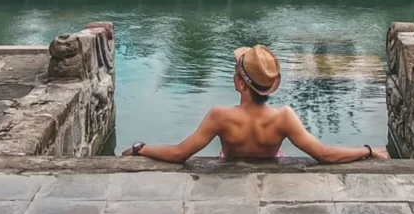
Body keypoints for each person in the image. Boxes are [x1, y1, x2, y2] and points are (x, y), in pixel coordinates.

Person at [122, 45, 390, 163]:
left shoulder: (220, 117)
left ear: (240, 83)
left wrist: (140, 149)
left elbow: (180, 154)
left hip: (230, 163)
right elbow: (324, 154)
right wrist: (367, 150)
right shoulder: (284, 118)